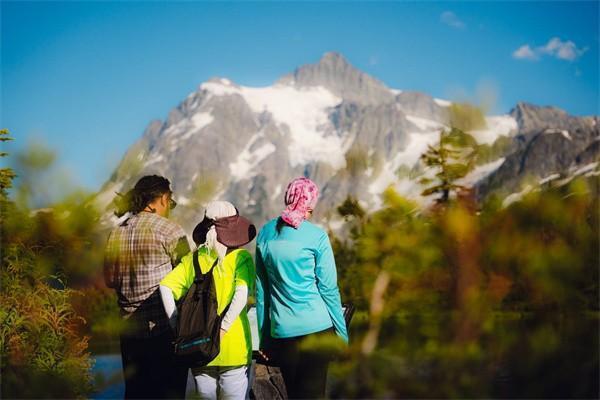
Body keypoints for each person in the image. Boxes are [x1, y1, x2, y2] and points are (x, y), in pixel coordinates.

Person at [255, 177, 349, 399]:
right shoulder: (317, 236)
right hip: (317, 330)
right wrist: (342, 336)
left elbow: (262, 293)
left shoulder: (265, 233)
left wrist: (264, 339)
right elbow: (328, 290)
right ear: (310, 205)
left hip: (282, 333)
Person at [104, 175, 191, 399]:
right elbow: (189, 277)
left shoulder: (116, 233)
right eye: (170, 202)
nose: (170, 208)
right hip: (164, 329)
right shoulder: (170, 231)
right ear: (161, 199)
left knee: (136, 393)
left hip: (129, 334)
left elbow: (110, 279)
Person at [160, 201, 256, 400]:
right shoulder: (241, 258)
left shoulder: (193, 259)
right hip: (233, 347)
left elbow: (165, 287)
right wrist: (223, 328)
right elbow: (241, 293)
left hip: (198, 347)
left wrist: (177, 324)